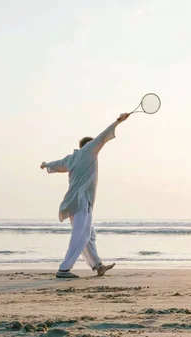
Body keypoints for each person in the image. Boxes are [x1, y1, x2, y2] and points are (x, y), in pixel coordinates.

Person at [40, 113, 130, 278]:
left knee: (88, 234)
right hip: (81, 200)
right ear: (89, 145)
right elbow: (104, 135)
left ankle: (98, 265)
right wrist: (119, 120)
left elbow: (56, 164)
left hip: (73, 201)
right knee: (81, 234)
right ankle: (64, 269)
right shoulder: (89, 151)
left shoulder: (72, 158)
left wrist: (46, 164)